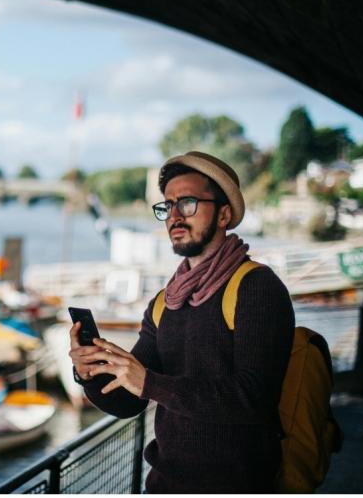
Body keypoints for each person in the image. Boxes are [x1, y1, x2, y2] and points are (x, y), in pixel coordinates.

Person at [69, 151, 295, 493]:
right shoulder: (165, 302)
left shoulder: (256, 288)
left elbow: (254, 397)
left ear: (224, 214)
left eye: (187, 203)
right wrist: (88, 374)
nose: (174, 216)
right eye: (167, 206)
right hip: (164, 485)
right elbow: (131, 401)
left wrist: (151, 383)